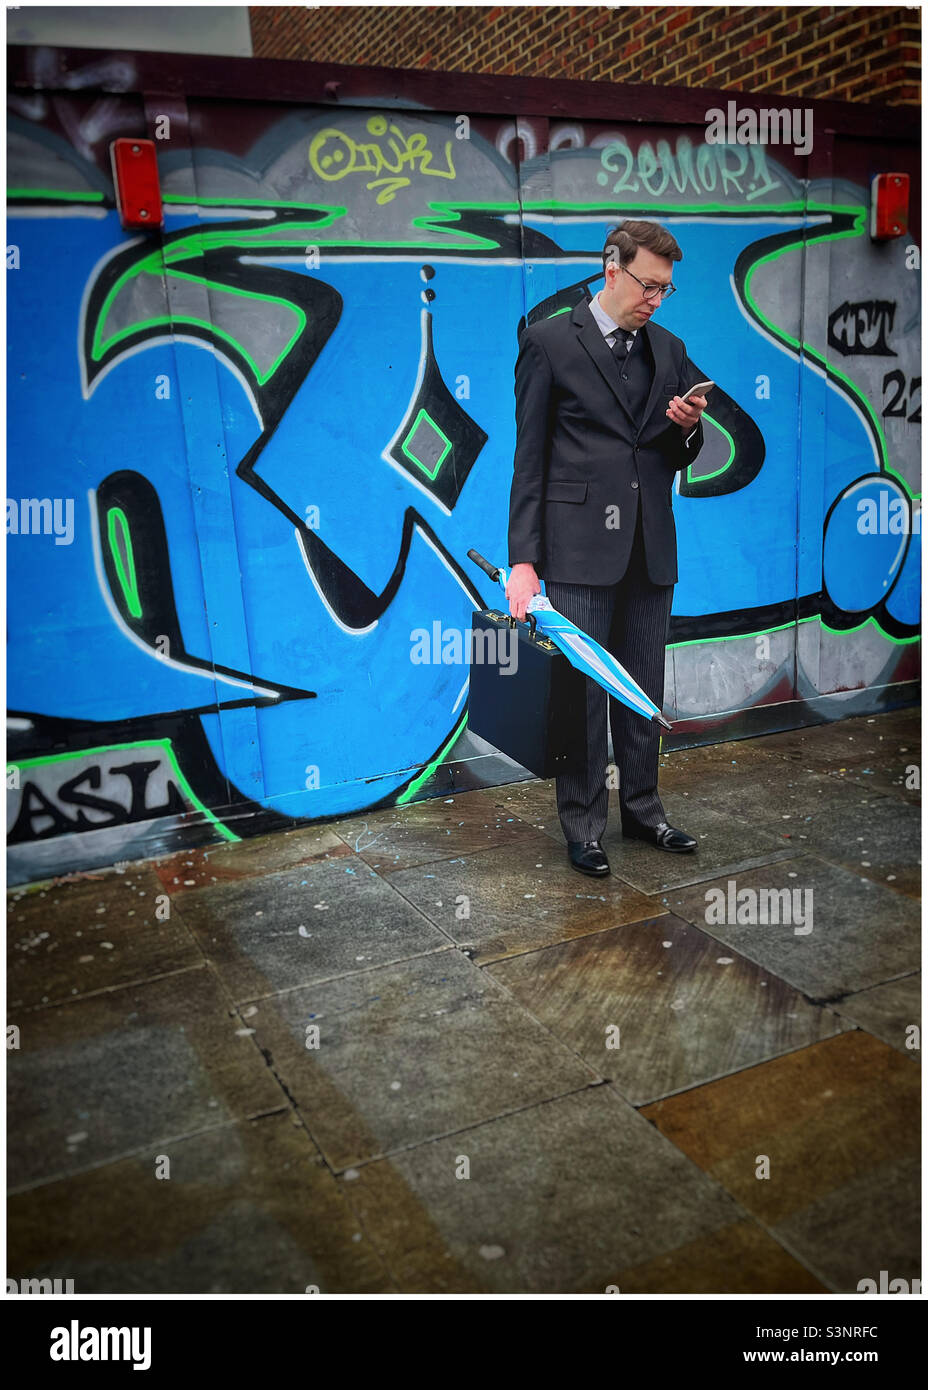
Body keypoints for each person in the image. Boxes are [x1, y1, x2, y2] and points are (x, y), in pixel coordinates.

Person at [506, 220, 708, 877]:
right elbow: (528, 461)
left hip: (651, 548)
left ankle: (644, 812)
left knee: (642, 688)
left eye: (667, 289)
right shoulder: (547, 343)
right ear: (612, 270)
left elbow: (674, 454)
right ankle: (584, 827)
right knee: (582, 693)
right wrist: (523, 561)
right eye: (649, 284)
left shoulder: (670, 349)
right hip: (576, 553)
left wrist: (688, 431)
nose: (656, 298)